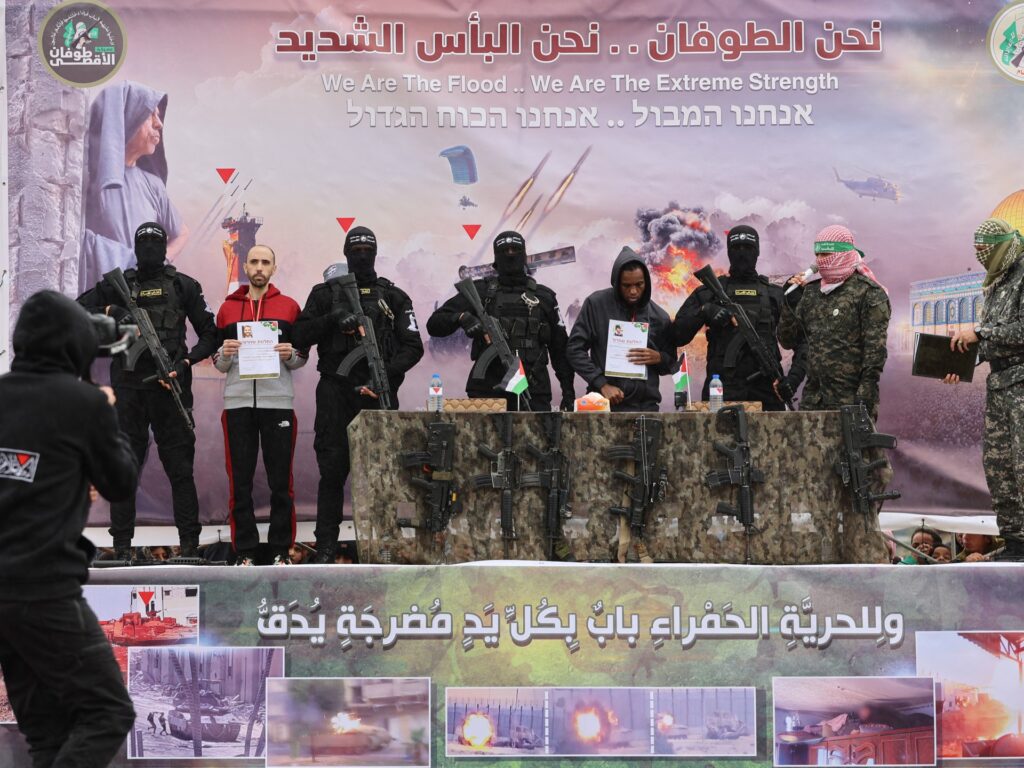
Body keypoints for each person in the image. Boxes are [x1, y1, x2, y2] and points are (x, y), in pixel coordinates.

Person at [0, 291, 138, 767]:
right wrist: (107, 410)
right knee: (108, 711)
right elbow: (120, 482)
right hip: (44, 588)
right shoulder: (83, 404)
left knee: (47, 733)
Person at [78, 221, 218, 560]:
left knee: (180, 470)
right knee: (125, 469)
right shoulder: (119, 285)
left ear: (165, 247)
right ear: (136, 248)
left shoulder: (183, 285)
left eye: (157, 243)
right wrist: (111, 311)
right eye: (144, 244)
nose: (150, 250)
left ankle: (188, 546)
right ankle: (122, 548)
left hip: (170, 389)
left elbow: (210, 334)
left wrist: (185, 363)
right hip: (129, 391)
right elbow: (76, 309)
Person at [293, 226, 423, 564]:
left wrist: (385, 377)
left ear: (375, 253)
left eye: (368, 249)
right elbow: (299, 334)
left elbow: (413, 346)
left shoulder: (394, 297)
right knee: (332, 472)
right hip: (335, 392)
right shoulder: (325, 294)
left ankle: (384, 546)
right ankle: (325, 547)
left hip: (378, 394)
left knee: (383, 474)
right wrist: (333, 319)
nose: (362, 255)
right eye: (356, 249)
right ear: (346, 253)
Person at [214, 245, 307, 566]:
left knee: (281, 481)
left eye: (265, 262)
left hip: (277, 403)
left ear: (273, 268)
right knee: (239, 482)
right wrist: (224, 353)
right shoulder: (227, 308)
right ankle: (245, 552)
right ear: (245, 266)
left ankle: (281, 550)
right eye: (253, 261)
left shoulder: (289, 307)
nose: (258, 267)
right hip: (237, 404)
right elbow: (218, 363)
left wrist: (290, 354)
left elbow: (301, 357)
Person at [943, 218, 1024, 562]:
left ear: (1004, 245)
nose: (980, 255)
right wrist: (961, 362)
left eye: (985, 250)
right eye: (976, 249)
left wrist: (981, 333)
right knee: (1000, 468)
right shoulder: (996, 280)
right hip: (1001, 385)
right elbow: (991, 340)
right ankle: (1016, 543)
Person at [427, 231, 575, 411]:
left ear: (524, 256)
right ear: (496, 258)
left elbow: (560, 350)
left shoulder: (544, 297)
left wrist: (568, 392)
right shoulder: (481, 291)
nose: (510, 255)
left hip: (533, 391)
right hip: (488, 392)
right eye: (505, 251)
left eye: (515, 250)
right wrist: (462, 318)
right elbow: (434, 324)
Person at [672, 225, 807, 410]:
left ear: (757, 251)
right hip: (720, 391)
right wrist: (705, 310)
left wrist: (793, 379)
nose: (742, 253)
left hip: (767, 391)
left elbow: (804, 342)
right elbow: (676, 336)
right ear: (729, 252)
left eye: (748, 248)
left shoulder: (774, 294)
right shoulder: (708, 293)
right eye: (736, 248)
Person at [81, 81, 188, 292]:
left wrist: (158, 264)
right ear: (125, 119)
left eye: (159, 116)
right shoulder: (87, 179)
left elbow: (182, 232)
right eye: (150, 115)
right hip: (99, 299)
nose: (159, 124)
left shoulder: (154, 185)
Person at [779, 225, 891, 420]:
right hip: (813, 402)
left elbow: (875, 353)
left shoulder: (868, 293)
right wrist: (789, 305)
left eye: (825, 254)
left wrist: (864, 397)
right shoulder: (811, 293)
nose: (820, 261)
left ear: (843, 254)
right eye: (817, 255)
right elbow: (787, 340)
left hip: (851, 402)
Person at [566, 247, 675, 411]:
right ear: (616, 283)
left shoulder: (660, 317)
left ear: (646, 282)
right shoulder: (596, 305)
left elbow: (671, 362)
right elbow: (574, 349)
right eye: (626, 285)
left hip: (645, 408)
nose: (633, 291)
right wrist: (601, 384)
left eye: (639, 285)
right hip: (603, 405)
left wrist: (659, 358)